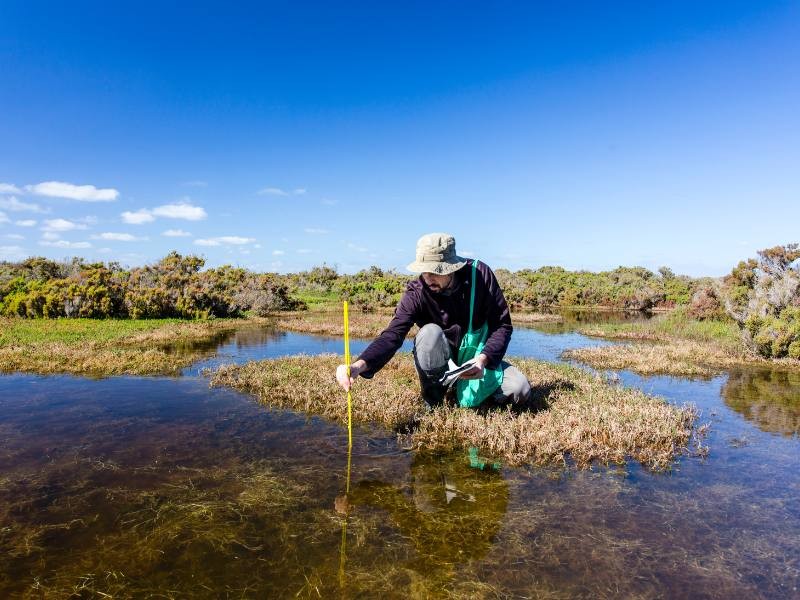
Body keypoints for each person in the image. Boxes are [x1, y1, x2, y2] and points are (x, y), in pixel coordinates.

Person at [335, 232, 531, 408]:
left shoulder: (481, 276)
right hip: (439, 360)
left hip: (475, 360)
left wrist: (483, 359)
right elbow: (392, 335)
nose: (428, 278)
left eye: (435, 271)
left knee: (519, 389)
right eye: (424, 270)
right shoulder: (417, 293)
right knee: (429, 334)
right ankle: (433, 399)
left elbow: (502, 325)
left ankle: (468, 393)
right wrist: (357, 366)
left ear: (452, 268)